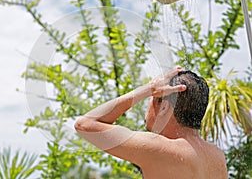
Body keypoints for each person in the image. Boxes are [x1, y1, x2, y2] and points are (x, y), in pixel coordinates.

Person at [74, 67, 228, 179]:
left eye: (152, 97)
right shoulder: (217, 157)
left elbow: (85, 124)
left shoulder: (158, 148)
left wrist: (148, 88)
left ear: (164, 107)